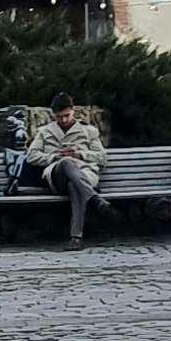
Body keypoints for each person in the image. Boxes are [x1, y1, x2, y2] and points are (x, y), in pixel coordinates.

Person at [27, 93, 109, 243]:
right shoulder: (44, 132)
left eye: (66, 115)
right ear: (54, 115)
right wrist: (54, 157)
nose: (63, 120)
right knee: (66, 162)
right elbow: (31, 156)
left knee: (74, 184)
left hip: (84, 173)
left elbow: (102, 157)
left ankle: (75, 238)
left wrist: (80, 154)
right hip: (57, 175)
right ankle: (94, 198)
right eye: (59, 117)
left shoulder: (89, 131)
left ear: (73, 111)